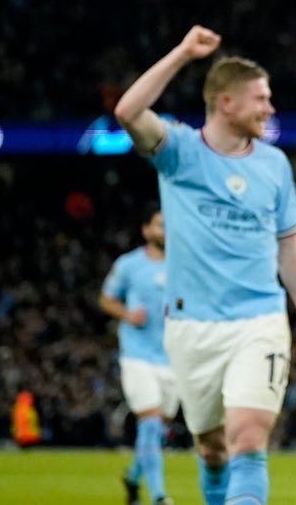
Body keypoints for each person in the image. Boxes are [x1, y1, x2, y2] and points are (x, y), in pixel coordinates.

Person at [115, 26, 296, 505]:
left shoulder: (274, 165)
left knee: (248, 439)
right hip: (192, 326)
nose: (270, 109)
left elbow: (289, 245)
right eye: (260, 99)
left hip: (259, 321)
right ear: (225, 102)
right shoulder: (180, 153)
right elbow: (127, 111)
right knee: (211, 449)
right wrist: (184, 54)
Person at [101, 209, 179, 505]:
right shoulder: (129, 265)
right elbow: (106, 298)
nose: (165, 230)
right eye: (160, 224)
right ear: (146, 230)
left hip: (171, 356)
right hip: (137, 355)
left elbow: (187, 300)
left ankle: (133, 478)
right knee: (149, 421)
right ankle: (159, 496)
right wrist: (126, 314)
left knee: (158, 427)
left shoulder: (181, 266)